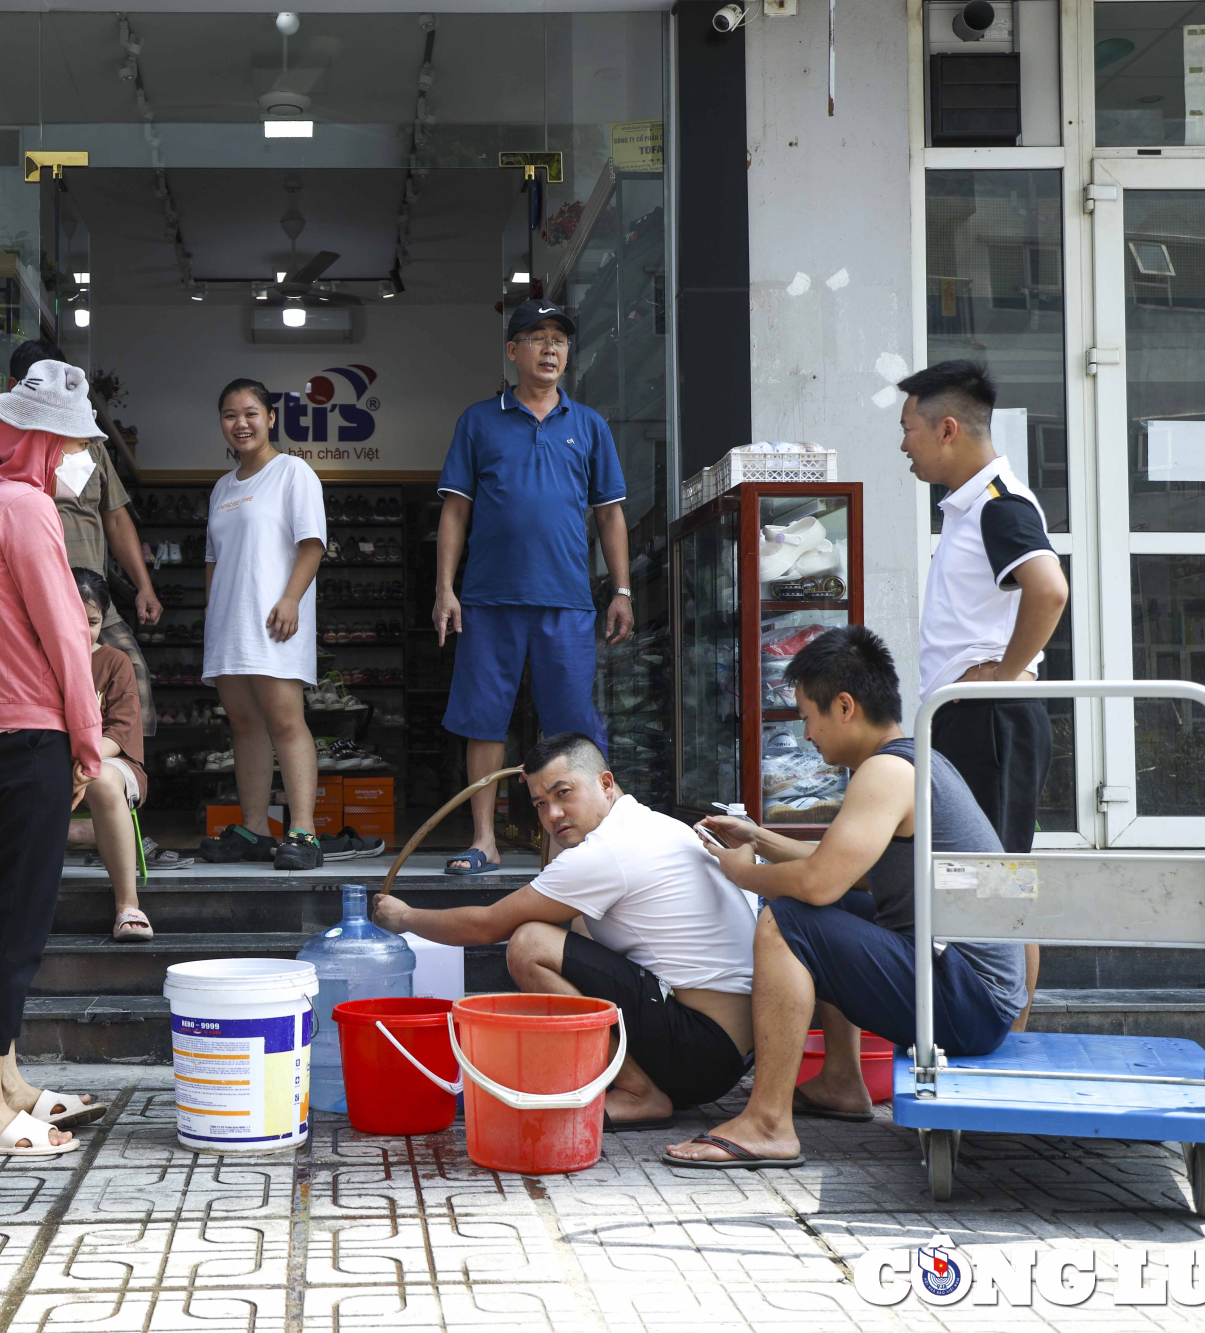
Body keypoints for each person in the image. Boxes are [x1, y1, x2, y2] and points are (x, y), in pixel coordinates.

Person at [665, 627, 1026, 1169]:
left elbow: (818, 883)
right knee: (820, 911)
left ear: (845, 706)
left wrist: (744, 875)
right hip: (974, 990)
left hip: (964, 1000)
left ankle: (767, 1124)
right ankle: (841, 1081)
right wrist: (758, 838)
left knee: (789, 919)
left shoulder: (886, 772)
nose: (807, 734)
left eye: (808, 716)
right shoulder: (914, 759)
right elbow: (850, 876)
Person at [372, 731, 758, 1125]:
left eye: (563, 793)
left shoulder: (607, 852)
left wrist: (404, 917)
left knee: (529, 943)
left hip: (702, 1049)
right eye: (541, 803)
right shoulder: (650, 823)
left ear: (605, 783)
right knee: (577, 923)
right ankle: (627, 1078)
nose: (552, 814)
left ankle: (638, 1091)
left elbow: (487, 925)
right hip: (726, 1050)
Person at [0, 360, 112, 1157]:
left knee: (7, 915)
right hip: (30, 736)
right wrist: (87, 740)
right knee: (16, 923)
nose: (83, 456)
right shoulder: (30, 511)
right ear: (48, 442)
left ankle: (4, 1079)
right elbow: (68, 639)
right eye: (76, 441)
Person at [433, 298, 634, 876]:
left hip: (566, 601)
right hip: (489, 599)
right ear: (512, 350)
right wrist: (445, 589)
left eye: (560, 340)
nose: (551, 349)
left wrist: (621, 590)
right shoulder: (478, 420)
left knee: (572, 729)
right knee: (481, 721)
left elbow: (611, 516)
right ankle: (483, 842)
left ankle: (570, 850)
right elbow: (454, 511)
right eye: (537, 337)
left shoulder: (589, 425)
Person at [897, 360, 1069, 1030]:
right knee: (986, 877)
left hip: (992, 719)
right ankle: (1005, 1036)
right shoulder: (971, 506)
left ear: (947, 429)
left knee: (1001, 883)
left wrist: (1005, 671)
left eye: (908, 429)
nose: (903, 445)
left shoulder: (1000, 502)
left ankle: (1014, 1040)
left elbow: (1049, 587)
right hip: (970, 718)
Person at [197, 378, 380, 871]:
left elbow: (312, 544)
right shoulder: (221, 487)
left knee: (285, 720)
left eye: (251, 412)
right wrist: (213, 612)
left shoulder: (292, 473)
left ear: (271, 418)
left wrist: (291, 599)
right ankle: (255, 829)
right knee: (243, 724)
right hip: (230, 624)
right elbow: (214, 558)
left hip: (275, 618)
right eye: (230, 414)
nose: (241, 423)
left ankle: (304, 831)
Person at [0, 340, 163, 737]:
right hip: (29, 610)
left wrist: (144, 586)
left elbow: (117, 519)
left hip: (94, 599)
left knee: (133, 694)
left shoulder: (89, 450)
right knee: (52, 710)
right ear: (16, 385)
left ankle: (121, 780)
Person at [69, 567, 189, 944]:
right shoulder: (37, 659)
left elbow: (119, 732)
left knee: (102, 779)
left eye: (91, 621)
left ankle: (128, 905)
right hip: (57, 762)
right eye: (71, 618)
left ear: (103, 620)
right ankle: (4, 909)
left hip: (111, 763)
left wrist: (83, 764)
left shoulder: (115, 661)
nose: (81, 629)